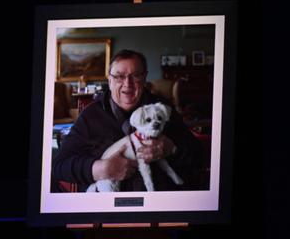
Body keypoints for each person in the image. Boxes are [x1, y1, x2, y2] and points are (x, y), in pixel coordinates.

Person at [52, 49, 203, 192]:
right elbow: (59, 166)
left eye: (135, 75)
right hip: (108, 208)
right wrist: (100, 169)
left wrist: (171, 149)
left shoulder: (162, 109)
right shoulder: (91, 116)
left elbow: (199, 155)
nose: (127, 83)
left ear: (144, 78)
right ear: (110, 80)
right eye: (119, 76)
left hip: (159, 203)